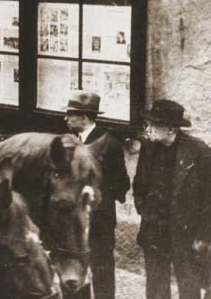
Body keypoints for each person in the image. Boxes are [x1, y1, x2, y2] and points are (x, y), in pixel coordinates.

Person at [133, 99, 211, 299]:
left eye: (154, 124)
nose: (148, 129)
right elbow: (140, 183)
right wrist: (144, 210)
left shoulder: (198, 151)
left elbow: (208, 199)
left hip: (185, 233)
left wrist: (203, 236)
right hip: (154, 229)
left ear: (171, 129)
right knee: (156, 287)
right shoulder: (148, 147)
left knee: (188, 286)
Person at [64, 90, 130, 299]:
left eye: (70, 114)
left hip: (99, 221)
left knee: (102, 271)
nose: (66, 118)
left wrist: (98, 198)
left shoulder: (109, 144)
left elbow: (122, 184)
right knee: (76, 269)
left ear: (84, 118)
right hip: (75, 220)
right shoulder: (70, 141)